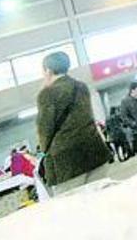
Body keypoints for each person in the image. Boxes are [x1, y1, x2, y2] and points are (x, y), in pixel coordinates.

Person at [36, 51, 111, 195]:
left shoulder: (47, 93)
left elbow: (45, 129)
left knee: (73, 209)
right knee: (101, 201)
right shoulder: (81, 86)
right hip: (94, 150)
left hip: (66, 161)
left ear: (48, 71)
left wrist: (44, 150)